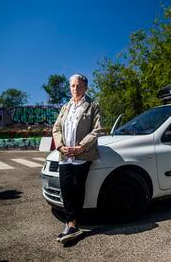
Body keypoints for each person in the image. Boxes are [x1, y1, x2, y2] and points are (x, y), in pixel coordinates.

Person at [52, 73, 102, 244]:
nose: (75, 89)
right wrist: (60, 146)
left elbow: (96, 129)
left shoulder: (92, 105)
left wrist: (82, 146)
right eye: (73, 86)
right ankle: (72, 224)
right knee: (66, 188)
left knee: (77, 188)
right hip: (65, 155)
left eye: (79, 86)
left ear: (85, 87)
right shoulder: (65, 107)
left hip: (82, 155)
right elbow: (56, 128)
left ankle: (72, 224)